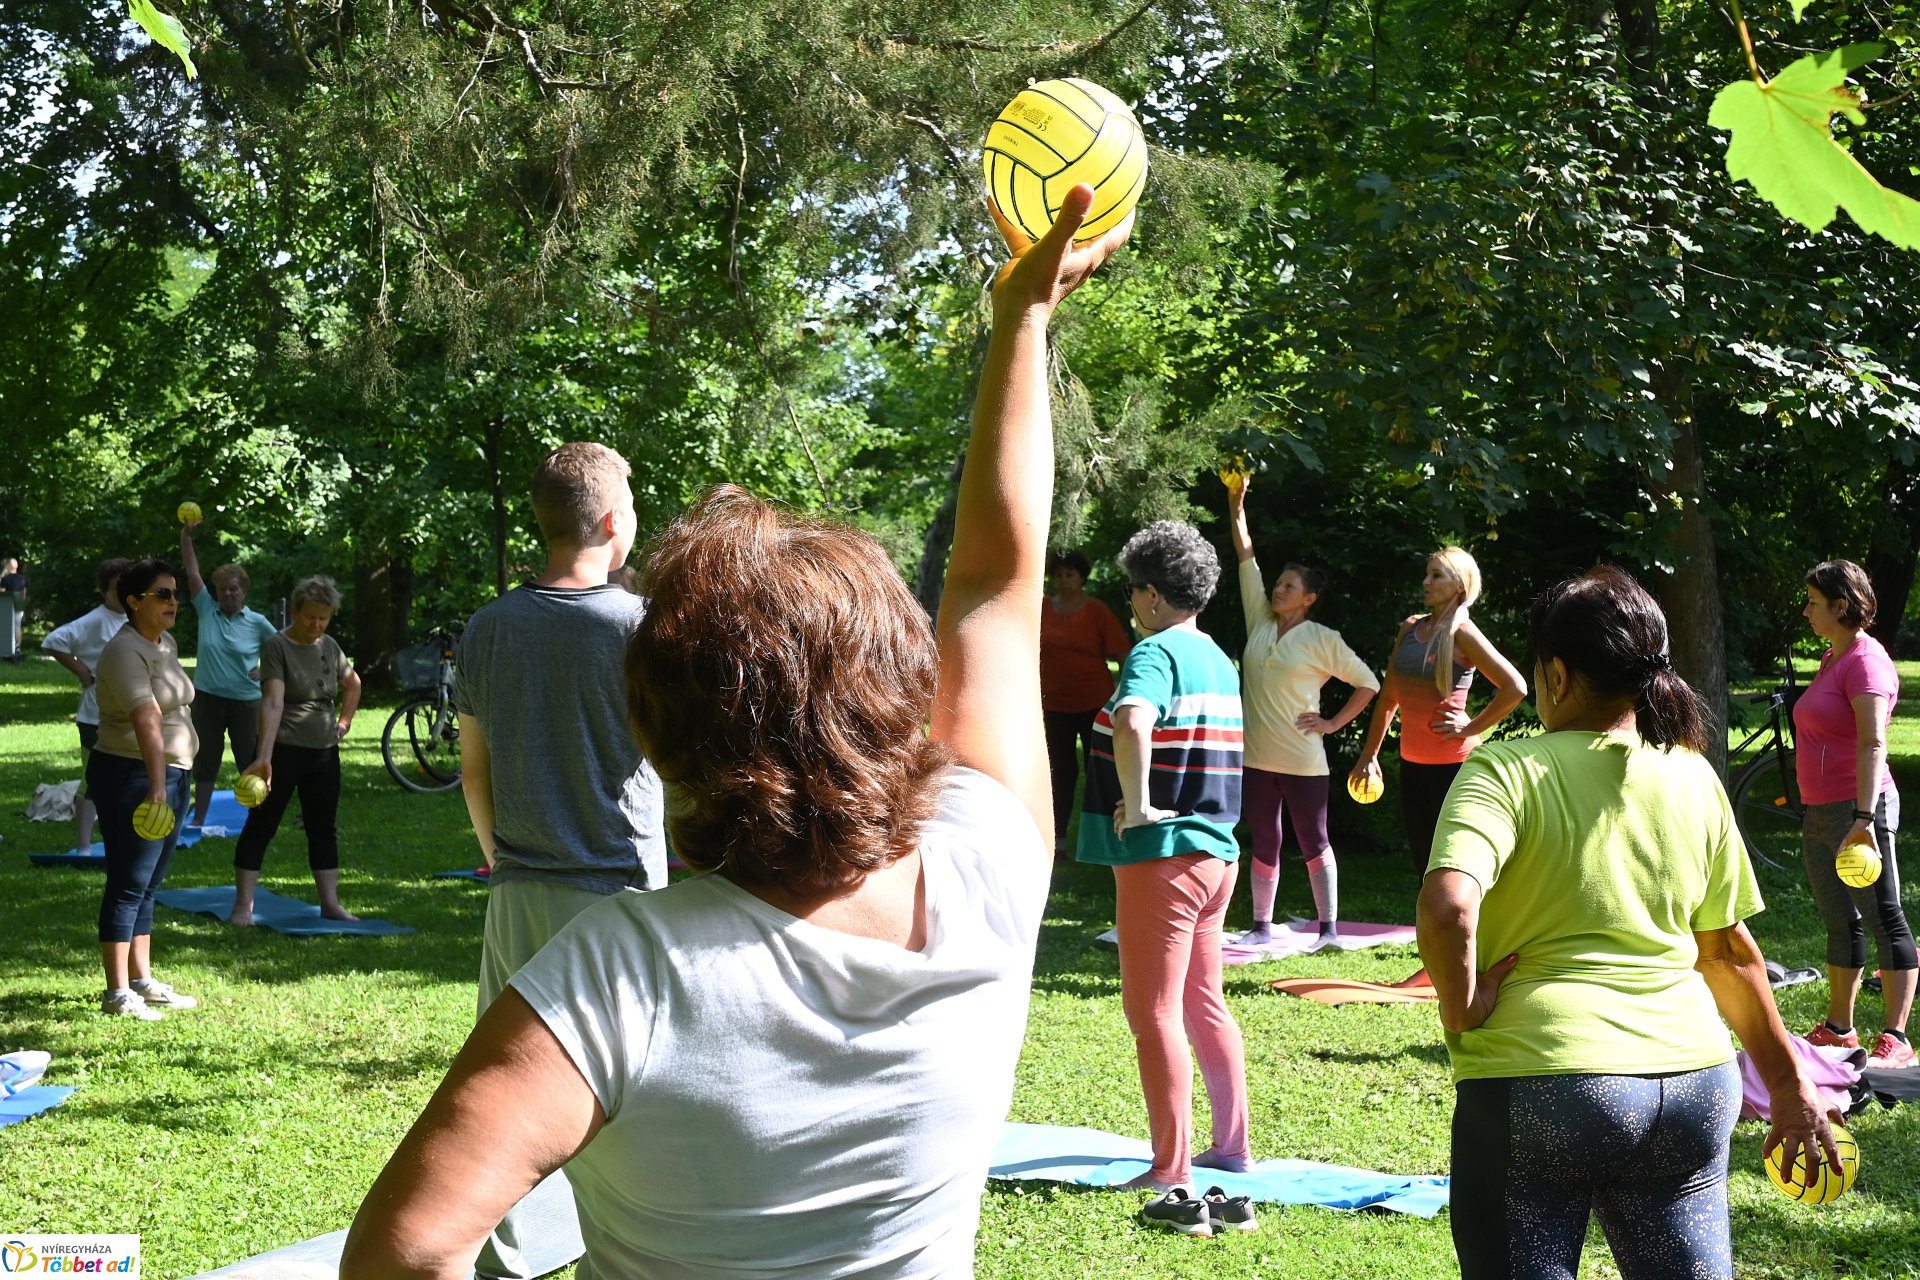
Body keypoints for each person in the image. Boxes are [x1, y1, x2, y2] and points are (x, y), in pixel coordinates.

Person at [340, 185, 1127, 1279]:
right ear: (902, 686)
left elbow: (406, 1252)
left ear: (662, 731)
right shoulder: (991, 869)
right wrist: (1021, 320)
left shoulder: (621, 971)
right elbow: (997, 583)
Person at [1419, 566, 1837, 1279]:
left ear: (1553, 673)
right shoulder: (1693, 774)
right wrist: (1792, 1087)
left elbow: (1449, 904)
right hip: (1695, 1085)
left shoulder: (1504, 771)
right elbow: (1731, 954)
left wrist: (1463, 1008)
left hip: (1544, 1081)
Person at [434, 441, 668, 1279]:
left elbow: (474, 770)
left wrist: (503, 857)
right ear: (613, 522)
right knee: (629, 1094)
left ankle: (509, 1263)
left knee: (506, 1092)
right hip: (622, 899)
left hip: (519, 891)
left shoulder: (489, 626)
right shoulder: (641, 629)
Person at [1076, 518, 1254, 1191]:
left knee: (1152, 1011)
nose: (1130, 605)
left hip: (1165, 855)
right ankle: (1231, 1147)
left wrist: (1142, 803)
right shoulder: (1217, 657)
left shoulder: (1153, 654)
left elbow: (1132, 719)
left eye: (1131, 593)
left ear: (1152, 594)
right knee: (1203, 999)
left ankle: (1169, 1167)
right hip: (1216, 856)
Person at [1225, 475, 1378, 947]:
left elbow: (1369, 683)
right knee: (1264, 843)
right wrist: (1236, 504)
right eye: (1278, 583)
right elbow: (1246, 556)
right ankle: (1260, 927)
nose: (1278, 589)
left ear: (1309, 598)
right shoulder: (1260, 621)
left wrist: (1332, 723)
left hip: (1303, 759)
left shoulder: (1322, 639)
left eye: (1289, 586)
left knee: (1314, 841)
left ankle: (1328, 930)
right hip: (1255, 757)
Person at [1795, 560, 1917, 1071]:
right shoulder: (1831, 657)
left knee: (1882, 914)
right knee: (1838, 918)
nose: (1806, 612)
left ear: (1841, 606)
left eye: (1813, 603)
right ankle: (1841, 1028)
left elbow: (1873, 743)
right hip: (1821, 811)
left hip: (1859, 810)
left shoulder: (1867, 662)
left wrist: (1864, 819)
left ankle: (1896, 1036)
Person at [1350, 546, 1525, 878]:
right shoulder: (1410, 628)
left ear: (1459, 585)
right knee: (1423, 864)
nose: (1425, 581)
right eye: (1427, 574)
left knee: (1452, 867)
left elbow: (1515, 688)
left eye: (1436, 575)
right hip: (1411, 765)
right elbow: (1388, 699)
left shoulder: (1462, 634)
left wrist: (1470, 727)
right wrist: (1369, 755)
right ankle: (1431, 930)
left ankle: (1468, 928)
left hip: (1455, 768)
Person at [90, 558, 199, 1021]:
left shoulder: (165, 643)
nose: (174, 602)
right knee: (128, 883)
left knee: (150, 882)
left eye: (175, 594)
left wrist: (173, 778)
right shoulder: (123, 652)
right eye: (163, 594)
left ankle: (142, 979)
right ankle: (117, 993)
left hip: (170, 775)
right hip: (132, 774)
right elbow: (146, 717)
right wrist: (157, 785)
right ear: (134, 602)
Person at [230, 576, 363, 926]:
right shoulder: (277, 646)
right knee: (262, 824)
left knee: (323, 828)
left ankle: (330, 904)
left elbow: (353, 683)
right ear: (297, 611)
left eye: (324, 618)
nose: (317, 624)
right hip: (285, 749)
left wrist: (344, 723)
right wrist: (264, 757)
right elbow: (272, 702)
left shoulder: (329, 645)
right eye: (310, 617)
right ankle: (243, 907)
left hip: (324, 751)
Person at [179, 517, 278, 829]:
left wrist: (264, 675)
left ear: (244, 591)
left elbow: (280, 652)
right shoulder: (207, 609)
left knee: (250, 759)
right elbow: (192, 573)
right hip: (207, 699)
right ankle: (198, 817)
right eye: (222, 590)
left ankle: (259, 815)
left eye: (233, 589)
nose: (228, 594)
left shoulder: (258, 622)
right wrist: (186, 537)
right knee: (205, 761)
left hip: (246, 702)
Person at [1040, 548, 1131, 855]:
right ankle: (1058, 839)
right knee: (1060, 772)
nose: (1065, 581)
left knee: (1102, 770)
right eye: (1059, 575)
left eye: (1071, 575)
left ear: (1082, 578)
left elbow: (1123, 653)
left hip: (1095, 705)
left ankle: (1109, 835)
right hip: (1055, 705)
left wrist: (1128, 694)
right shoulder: (1041, 609)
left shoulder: (1096, 611)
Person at [43, 558, 133, 855]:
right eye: (116, 587)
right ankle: (83, 845)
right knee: (93, 780)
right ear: (104, 591)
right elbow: (53, 641)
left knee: (129, 779)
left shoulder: (138, 617)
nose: (122, 592)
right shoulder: (95, 620)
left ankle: (122, 840)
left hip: (132, 715)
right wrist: (82, 672)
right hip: (96, 716)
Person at [2, 556, 27, 661]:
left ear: (8, 567)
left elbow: (2, 593)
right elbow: (24, 594)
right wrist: (21, 603)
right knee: (17, 626)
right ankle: (17, 648)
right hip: (18, 605)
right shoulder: (23, 579)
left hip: (6, 606)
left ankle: (6, 647)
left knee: (6, 626)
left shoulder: (5, 579)